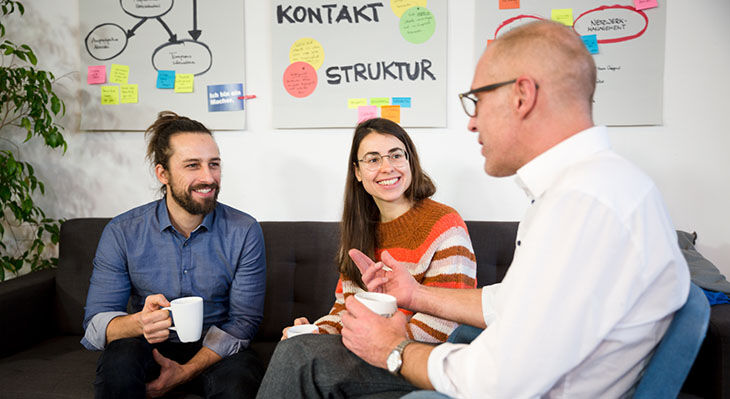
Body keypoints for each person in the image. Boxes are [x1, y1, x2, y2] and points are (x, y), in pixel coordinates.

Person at [335, 20, 691, 398]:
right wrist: (415, 296)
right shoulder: (591, 188)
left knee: (312, 363)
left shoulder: (584, 204)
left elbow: (496, 381)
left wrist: (393, 350)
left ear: (521, 96)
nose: (471, 123)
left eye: (478, 101)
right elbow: (510, 303)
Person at [256, 118, 477, 398]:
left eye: (396, 155)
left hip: (424, 358)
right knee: (295, 347)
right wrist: (317, 332)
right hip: (372, 347)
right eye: (373, 159)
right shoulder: (359, 229)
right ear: (358, 172)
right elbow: (343, 310)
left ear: (410, 162)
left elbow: (449, 321)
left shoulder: (445, 223)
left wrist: (377, 340)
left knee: (299, 357)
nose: (387, 167)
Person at [81, 111, 266, 399]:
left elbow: (243, 323)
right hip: (147, 344)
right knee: (119, 362)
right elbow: (95, 326)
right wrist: (138, 322)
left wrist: (185, 371)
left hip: (214, 349)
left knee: (240, 383)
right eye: (192, 165)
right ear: (162, 173)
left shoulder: (244, 231)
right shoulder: (122, 231)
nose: (208, 177)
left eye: (213, 164)